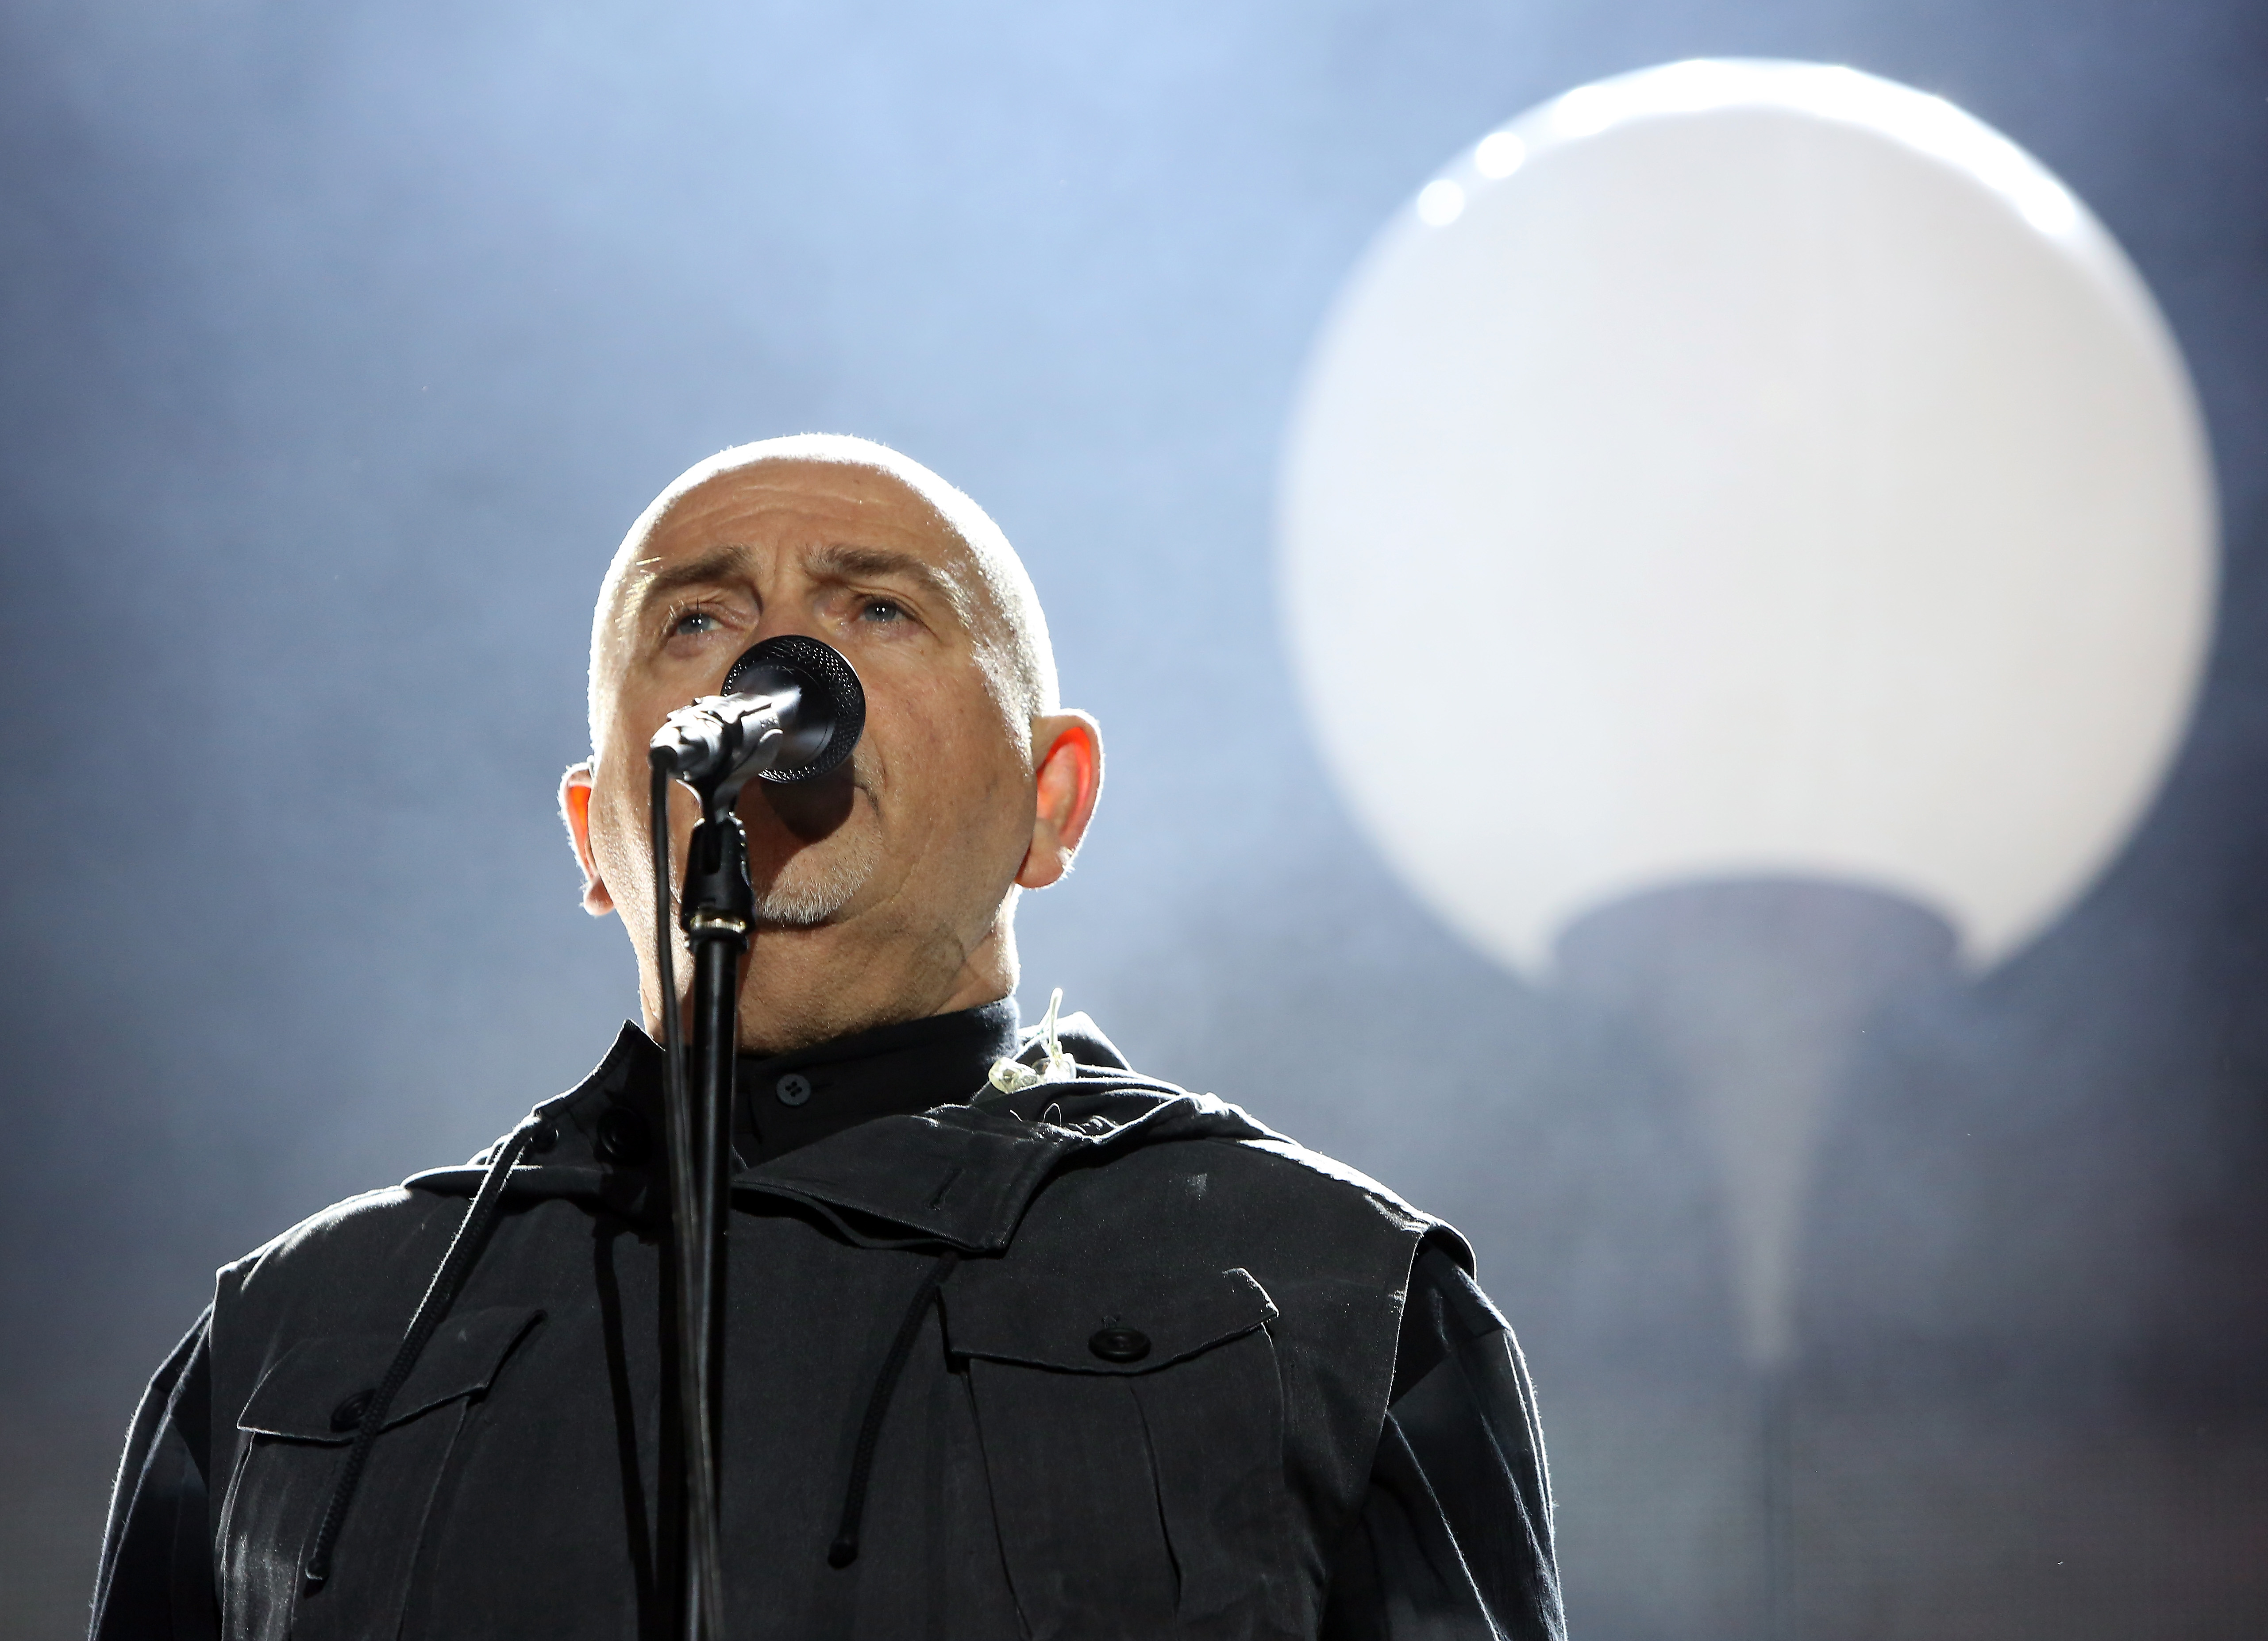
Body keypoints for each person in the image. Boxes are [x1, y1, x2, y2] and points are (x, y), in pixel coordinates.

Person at [88, 435, 1565, 1640]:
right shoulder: (296, 1336)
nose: (780, 658)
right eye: (699, 619)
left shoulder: (1332, 1296)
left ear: (1052, 801)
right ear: (594, 834)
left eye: (877, 609)